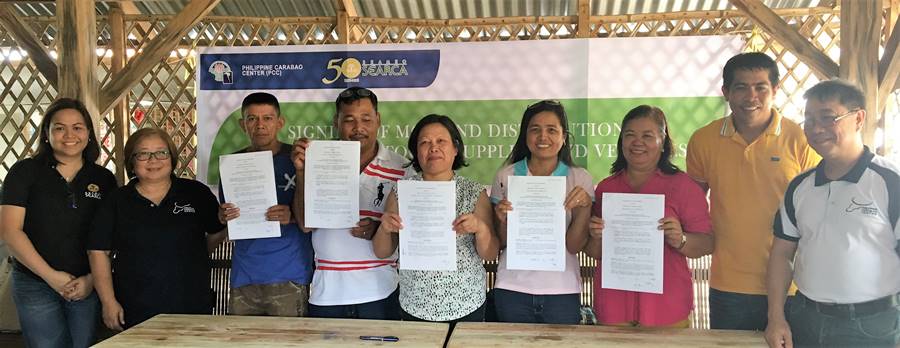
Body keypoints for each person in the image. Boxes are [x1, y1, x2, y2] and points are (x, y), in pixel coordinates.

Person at [686, 52, 820, 330]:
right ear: (725, 92)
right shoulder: (703, 140)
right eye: (741, 87)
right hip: (728, 283)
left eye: (760, 87)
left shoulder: (800, 139)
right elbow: (693, 207)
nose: (751, 97)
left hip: (793, 283)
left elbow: (816, 209)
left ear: (775, 90)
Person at [765, 79, 900, 347]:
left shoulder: (889, 182)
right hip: (806, 321)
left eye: (828, 118)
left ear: (859, 118)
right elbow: (781, 254)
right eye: (809, 119)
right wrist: (776, 317)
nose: (816, 129)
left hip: (873, 326)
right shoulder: (799, 187)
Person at [0, 98, 117, 347]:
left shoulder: (103, 178)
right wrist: (51, 277)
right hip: (35, 282)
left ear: (88, 134)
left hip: (86, 283)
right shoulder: (25, 172)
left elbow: (111, 236)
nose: (69, 135)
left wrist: (91, 280)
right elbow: (10, 231)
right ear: (46, 133)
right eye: (59, 127)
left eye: (77, 127)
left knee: (83, 344)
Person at [585, 105, 714, 327]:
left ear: (662, 142)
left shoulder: (683, 186)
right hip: (614, 306)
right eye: (630, 135)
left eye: (647, 136)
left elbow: (707, 243)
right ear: (621, 141)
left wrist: (681, 239)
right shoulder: (606, 188)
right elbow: (594, 251)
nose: (637, 142)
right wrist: (595, 236)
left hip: (666, 307)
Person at [87, 128, 227, 330]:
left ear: (172, 157)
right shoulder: (117, 200)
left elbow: (217, 230)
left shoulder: (196, 193)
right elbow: (98, 251)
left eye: (161, 152)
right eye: (143, 154)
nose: (153, 160)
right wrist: (109, 302)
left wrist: (196, 254)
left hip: (191, 304)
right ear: (132, 163)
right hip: (134, 307)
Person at [292, 87, 413, 319]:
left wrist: (379, 231)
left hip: (380, 292)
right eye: (349, 120)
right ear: (336, 122)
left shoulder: (402, 169)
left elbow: (412, 233)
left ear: (378, 120)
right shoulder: (317, 160)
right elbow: (305, 224)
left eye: (366, 119)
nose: (358, 128)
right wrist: (301, 172)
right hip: (327, 294)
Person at [372, 114, 500, 324]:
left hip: (465, 303)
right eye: (425, 142)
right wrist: (385, 229)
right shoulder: (402, 191)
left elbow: (491, 252)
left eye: (441, 141)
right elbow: (382, 251)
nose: (433, 148)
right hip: (415, 303)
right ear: (416, 152)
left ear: (455, 149)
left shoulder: (474, 192)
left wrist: (481, 229)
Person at [490, 100, 592, 324]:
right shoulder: (506, 176)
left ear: (564, 137)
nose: (543, 137)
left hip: (562, 291)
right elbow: (501, 242)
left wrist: (585, 207)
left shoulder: (579, 178)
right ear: (525, 136)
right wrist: (502, 219)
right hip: (512, 288)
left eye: (552, 130)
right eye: (535, 129)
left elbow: (574, 246)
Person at [218, 92, 314, 317]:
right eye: (252, 119)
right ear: (243, 125)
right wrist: (223, 217)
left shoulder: (299, 159)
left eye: (268, 118)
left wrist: (291, 215)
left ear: (280, 122)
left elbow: (314, 218)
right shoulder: (233, 166)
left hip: (289, 274)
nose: (260, 125)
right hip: (245, 275)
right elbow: (227, 217)